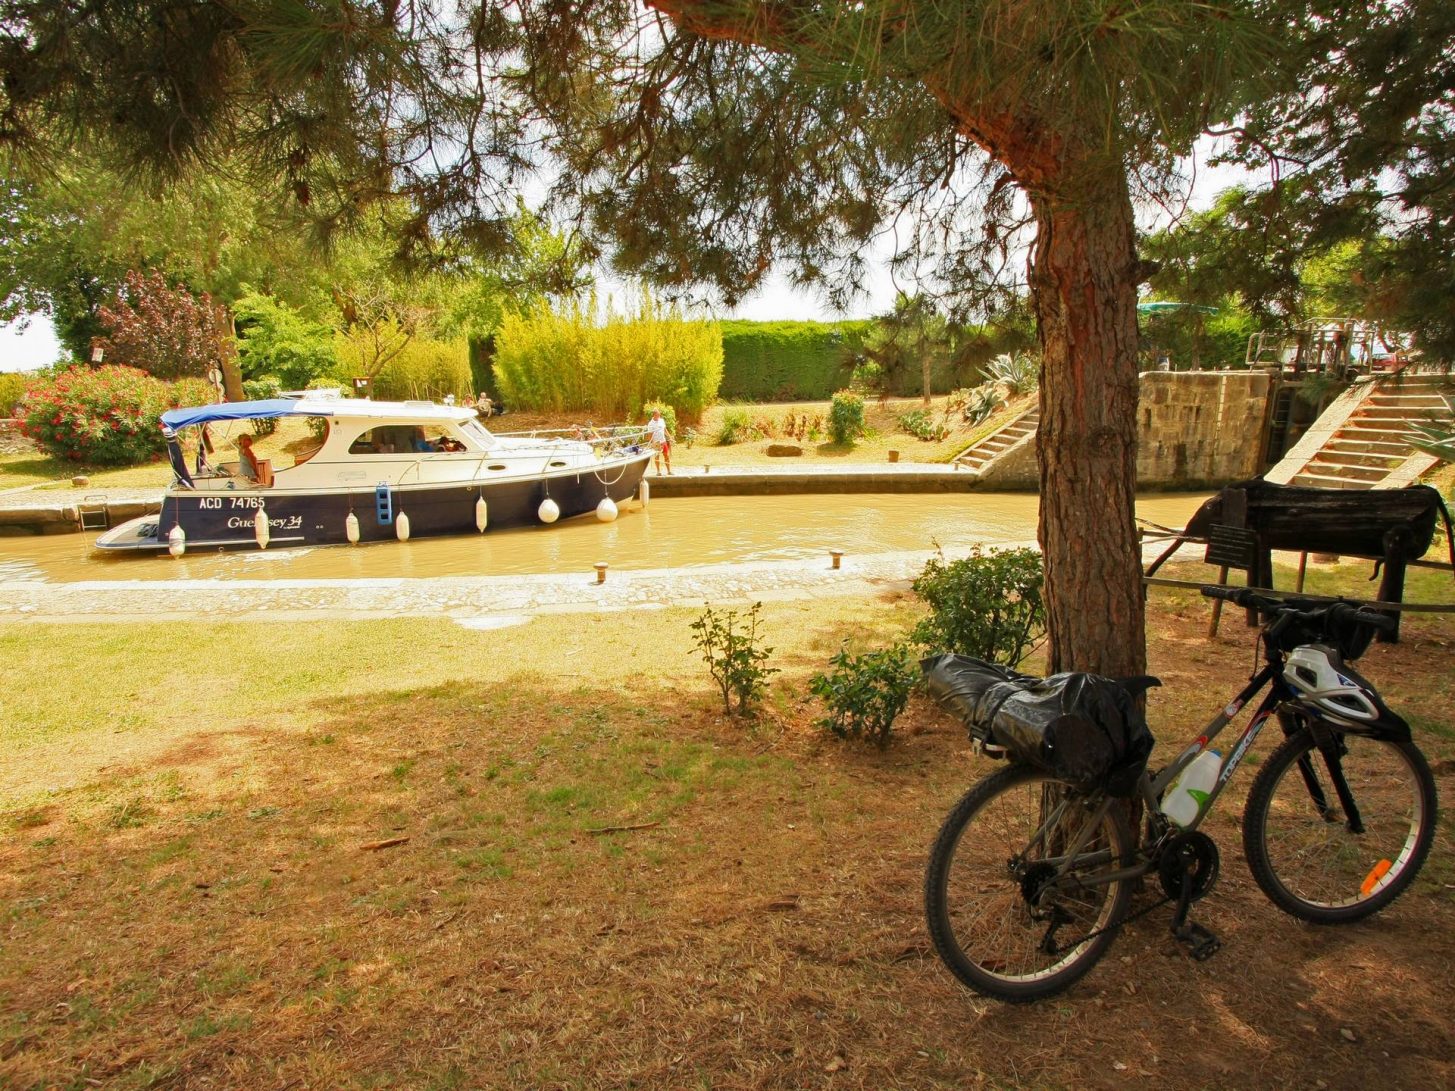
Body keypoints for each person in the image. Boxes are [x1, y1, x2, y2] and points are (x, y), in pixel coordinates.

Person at [645, 408, 672, 475]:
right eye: (657, 415)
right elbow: (649, 434)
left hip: (663, 441)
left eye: (659, 414)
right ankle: (658, 471)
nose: (658, 416)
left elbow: (665, 430)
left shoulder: (662, 420)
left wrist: (669, 437)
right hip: (656, 442)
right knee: (657, 457)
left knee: (666, 456)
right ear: (654, 415)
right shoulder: (650, 424)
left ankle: (669, 471)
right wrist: (651, 443)